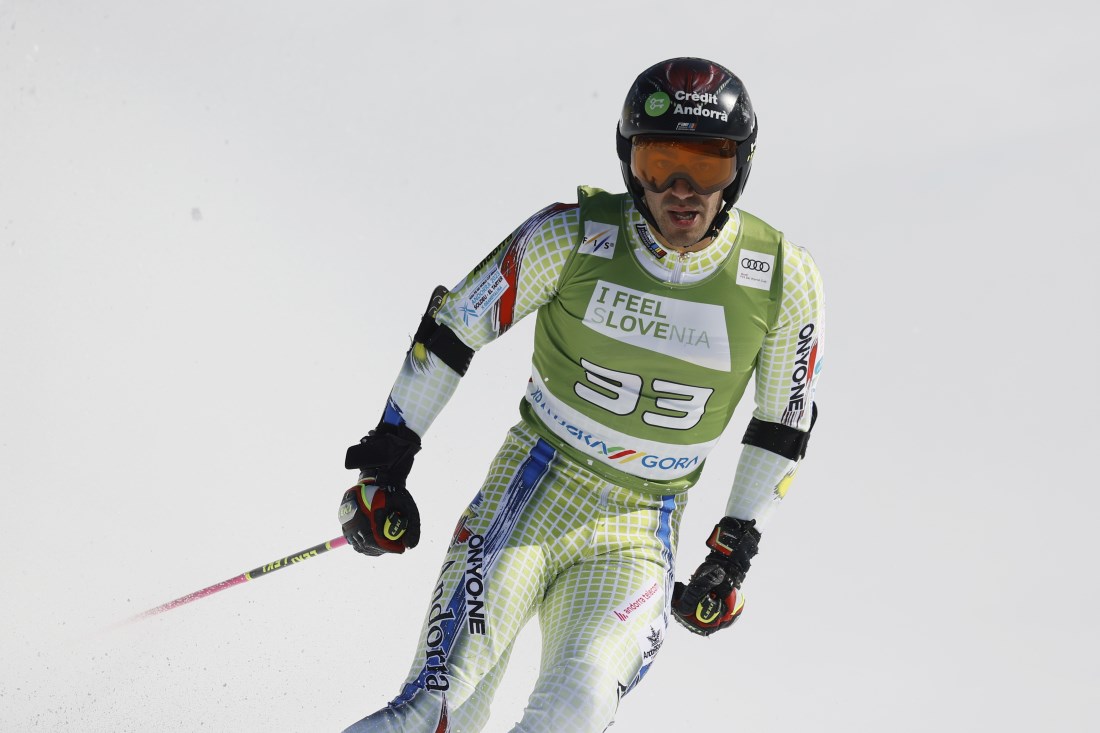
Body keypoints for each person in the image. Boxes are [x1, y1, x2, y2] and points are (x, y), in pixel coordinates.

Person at [337, 57, 824, 733]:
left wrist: (732, 552)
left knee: (573, 712)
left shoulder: (781, 278)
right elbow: (456, 327)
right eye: (661, 163)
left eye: (708, 165)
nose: (683, 190)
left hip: (639, 529)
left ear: (739, 170)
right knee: (434, 709)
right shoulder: (572, 236)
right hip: (531, 494)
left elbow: (783, 422)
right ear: (630, 164)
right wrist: (387, 460)